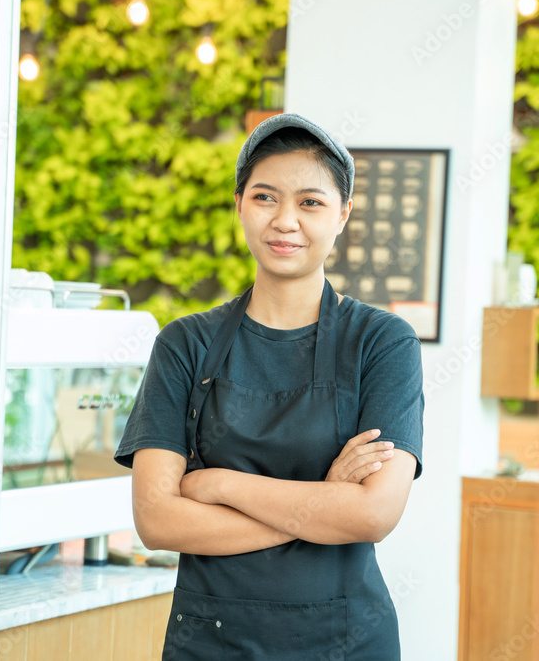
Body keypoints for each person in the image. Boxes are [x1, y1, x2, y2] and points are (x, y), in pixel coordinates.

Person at [114, 113, 424, 660]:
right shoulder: (184, 345)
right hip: (212, 641)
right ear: (239, 205)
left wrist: (219, 485)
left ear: (343, 214)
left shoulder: (382, 343)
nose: (285, 221)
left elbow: (374, 515)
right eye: (265, 197)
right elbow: (157, 520)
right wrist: (324, 503)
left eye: (310, 202)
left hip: (344, 641)